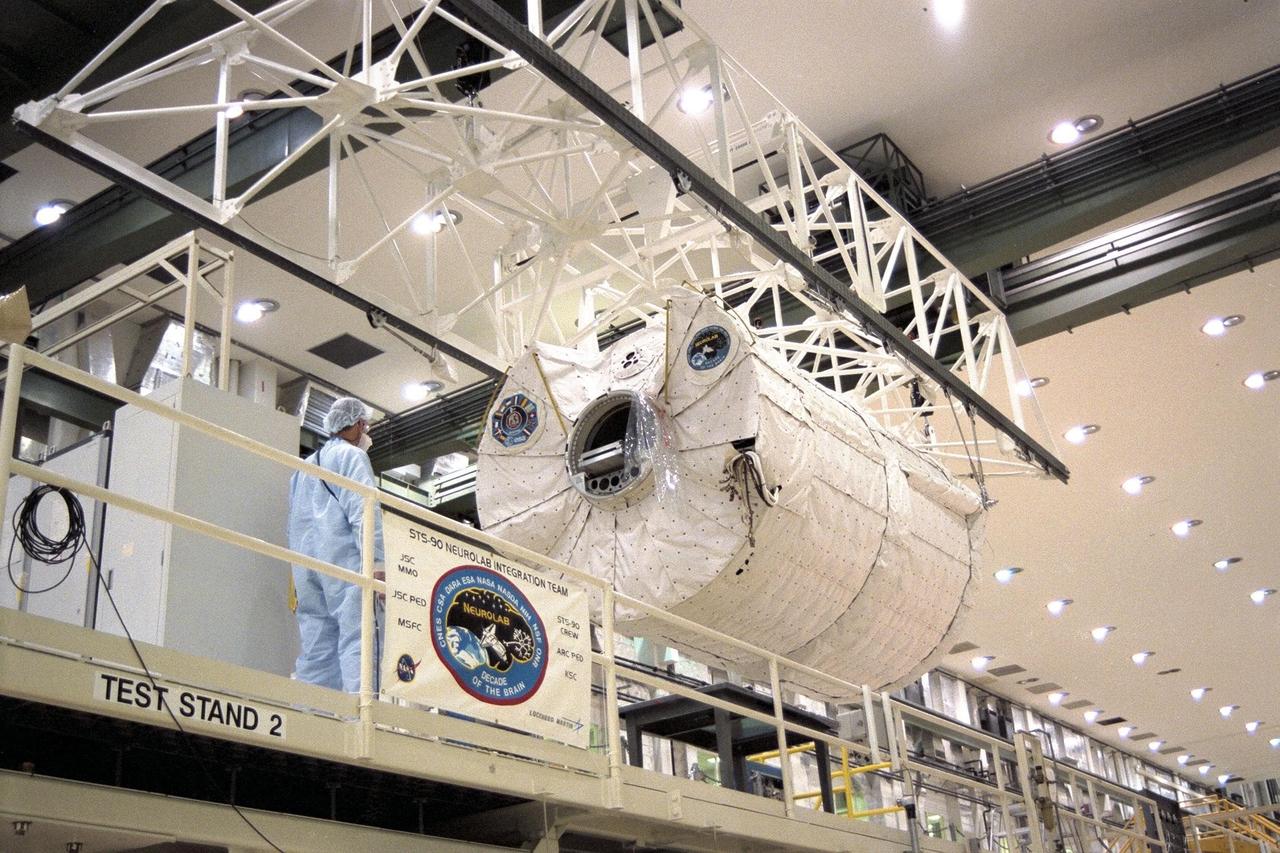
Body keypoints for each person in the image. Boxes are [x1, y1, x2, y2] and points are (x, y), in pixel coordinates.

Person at [288, 397, 385, 693]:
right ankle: (360, 714)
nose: (365, 432)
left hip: (307, 570)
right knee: (360, 639)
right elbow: (364, 511)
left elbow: (294, 522)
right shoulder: (351, 457)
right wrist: (377, 563)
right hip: (346, 566)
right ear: (357, 424)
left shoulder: (301, 469)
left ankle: (310, 713)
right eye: (365, 426)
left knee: (317, 648)